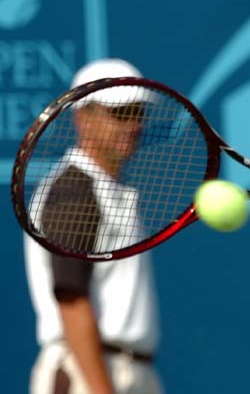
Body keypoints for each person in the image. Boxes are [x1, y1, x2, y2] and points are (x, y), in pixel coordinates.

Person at [24, 58, 162, 394]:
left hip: (128, 372)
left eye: (138, 113)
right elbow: (71, 300)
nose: (132, 124)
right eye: (119, 113)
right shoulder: (73, 190)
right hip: (87, 374)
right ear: (82, 117)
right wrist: (101, 389)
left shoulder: (107, 187)